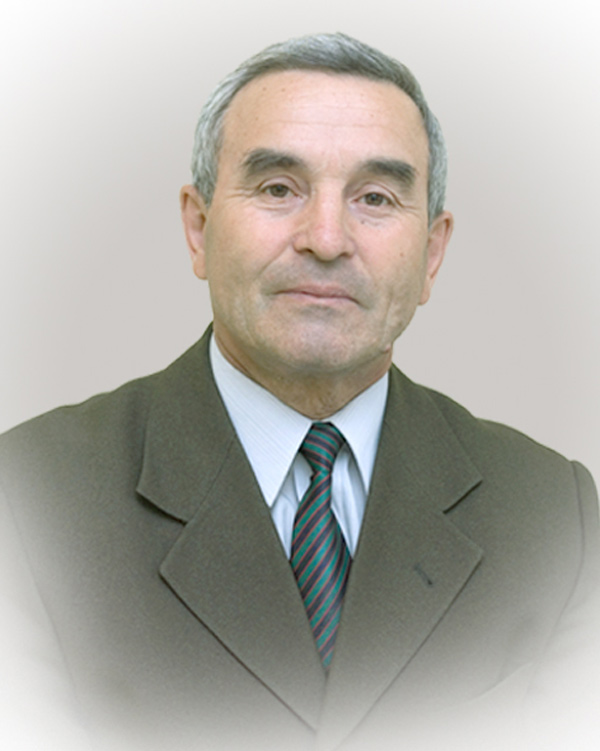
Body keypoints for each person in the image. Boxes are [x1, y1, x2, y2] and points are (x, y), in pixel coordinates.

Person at [1, 32, 598, 751]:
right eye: (279, 188)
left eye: (375, 198)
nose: (326, 238)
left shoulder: (554, 517)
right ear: (198, 228)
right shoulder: (27, 502)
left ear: (432, 254)